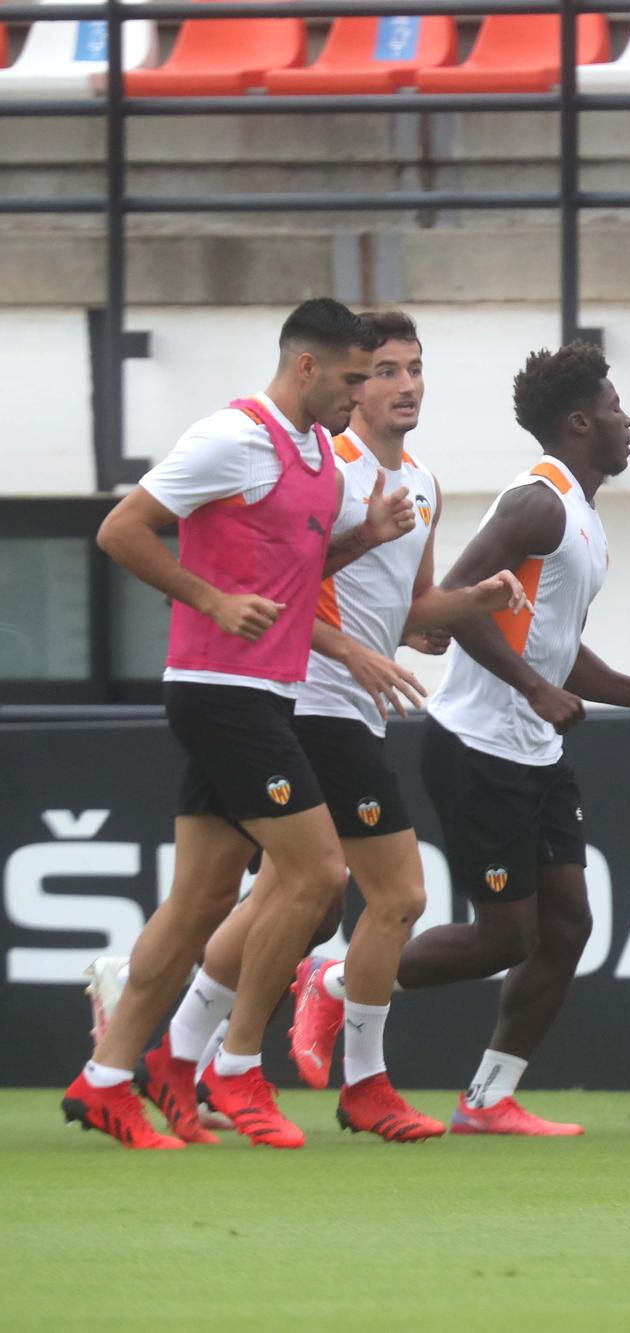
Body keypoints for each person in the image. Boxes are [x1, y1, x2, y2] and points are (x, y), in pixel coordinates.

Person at [133, 312, 526, 1145]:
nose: (402, 384)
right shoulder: (324, 463)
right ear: (345, 378)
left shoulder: (420, 482)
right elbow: (285, 588)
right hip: (307, 699)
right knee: (394, 893)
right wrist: (353, 650)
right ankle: (350, 1082)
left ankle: (179, 1054)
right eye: (381, 370)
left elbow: (415, 610)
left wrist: (472, 604)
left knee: (290, 898)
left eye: (414, 367)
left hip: (345, 705)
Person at [63, 298, 415, 1150]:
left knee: (201, 900)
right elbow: (121, 529)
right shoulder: (233, 435)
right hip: (219, 691)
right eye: (353, 377)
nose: (362, 393)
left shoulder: (320, 463)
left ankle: (111, 1078)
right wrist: (211, 596)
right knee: (319, 874)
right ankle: (235, 1065)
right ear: (306, 369)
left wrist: (363, 538)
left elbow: (299, 569)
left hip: (264, 694)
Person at [393, 341, 630, 1137]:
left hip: (535, 749)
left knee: (566, 927)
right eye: (618, 406)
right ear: (582, 420)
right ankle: (323, 976)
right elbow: (454, 601)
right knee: (504, 936)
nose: (629, 421)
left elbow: (555, 648)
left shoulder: (586, 522)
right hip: (477, 743)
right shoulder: (540, 501)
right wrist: (532, 687)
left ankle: (488, 1100)